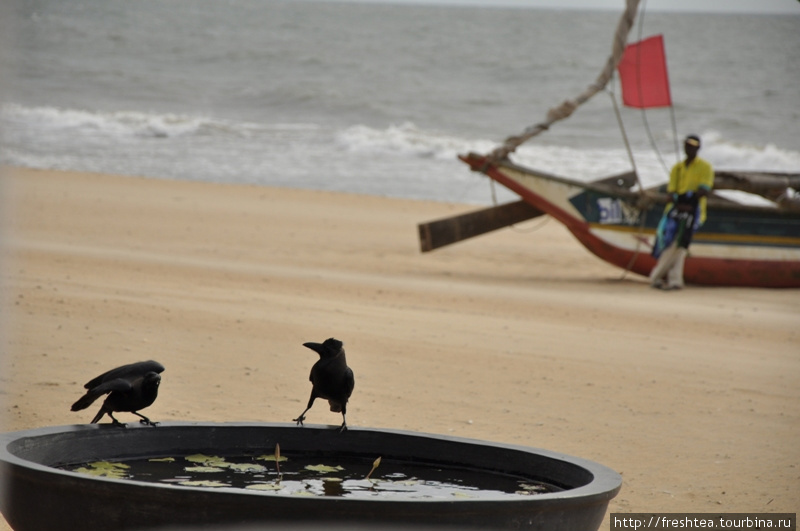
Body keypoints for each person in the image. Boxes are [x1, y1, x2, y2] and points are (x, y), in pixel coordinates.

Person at [649, 134, 714, 290]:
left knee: (680, 244)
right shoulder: (677, 168)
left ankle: (656, 276)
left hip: (694, 212)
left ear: (698, 148)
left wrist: (686, 200)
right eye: (686, 145)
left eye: (692, 145)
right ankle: (675, 281)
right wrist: (679, 201)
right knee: (671, 244)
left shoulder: (705, 167)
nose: (689, 148)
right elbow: (671, 193)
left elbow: (704, 190)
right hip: (674, 213)